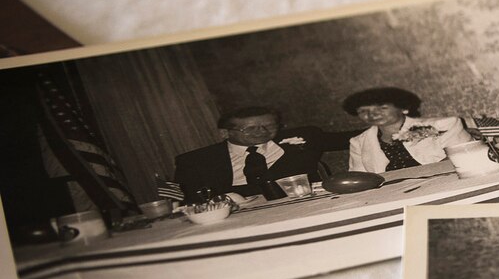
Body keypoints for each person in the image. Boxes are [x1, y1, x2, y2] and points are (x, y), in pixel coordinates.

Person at [172, 106, 341, 201]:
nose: (262, 132)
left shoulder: (305, 137)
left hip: (298, 205)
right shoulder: (195, 161)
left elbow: (352, 138)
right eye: (250, 128)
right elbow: (186, 200)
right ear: (224, 133)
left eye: (269, 126)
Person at [340, 86, 473, 173]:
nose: (372, 115)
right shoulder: (358, 142)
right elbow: (360, 177)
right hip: (389, 194)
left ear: (403, 108)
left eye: (381, 107)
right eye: (363, 111)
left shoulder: (444, 124)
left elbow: (465, 157)